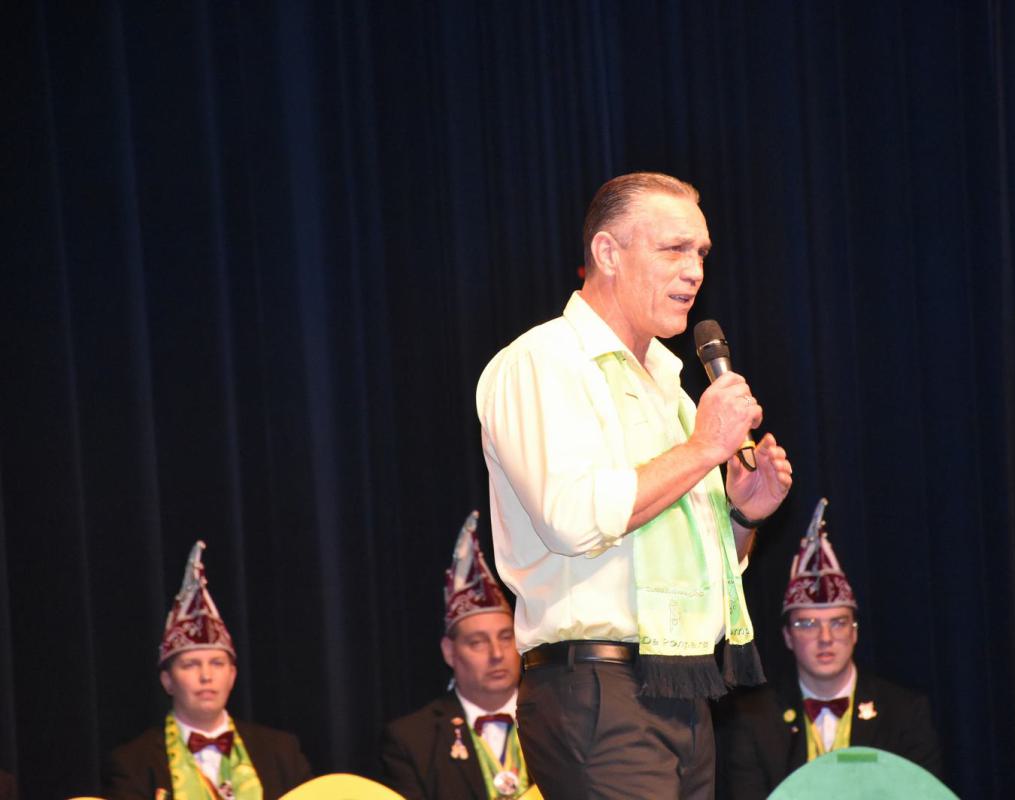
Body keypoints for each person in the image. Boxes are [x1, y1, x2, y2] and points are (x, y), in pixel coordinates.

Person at [476, 172, 793, 799]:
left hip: (683, 686)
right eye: (673, 249)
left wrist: (743, 517)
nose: (694, 271)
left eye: (700, 253)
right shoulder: (544, 361)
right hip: (598, 690)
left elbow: (697, 562)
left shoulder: (668, 386)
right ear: (608, 253)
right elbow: (571, 519)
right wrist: (702, 448)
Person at [715, 499, 943, 798]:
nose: (825, 637)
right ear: (787, 636)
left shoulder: (904, 713)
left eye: (837, 623)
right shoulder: (754, 719)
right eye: (808, 624)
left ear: (854, 632)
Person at [103, 541, 312, 800]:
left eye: (217, 663)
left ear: (232, 676)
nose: (206, 676)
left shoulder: (281, 752)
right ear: (167, 681)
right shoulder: (133, 763)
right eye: (191, 665)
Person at [380, 511, 532, 800]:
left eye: (505, 637)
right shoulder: (414, 739)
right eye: (478, 642)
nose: (497, 654)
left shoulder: (555, 720)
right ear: (449, 652)